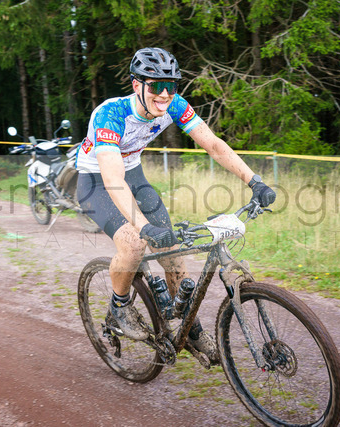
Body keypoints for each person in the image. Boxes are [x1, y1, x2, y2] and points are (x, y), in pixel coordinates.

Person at [76, 47, 276, 364]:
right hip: (96, 181)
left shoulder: (174, 105)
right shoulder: (110, 114)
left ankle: (190, 330)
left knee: (172, 249)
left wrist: (255, 181)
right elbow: (113, 178)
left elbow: (213, 144)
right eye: (156, 85)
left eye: (171, 85)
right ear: (136, 85)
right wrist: (144, 227)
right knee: (134, 243)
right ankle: (120, 304)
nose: (164, 94)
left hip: (133, 174)